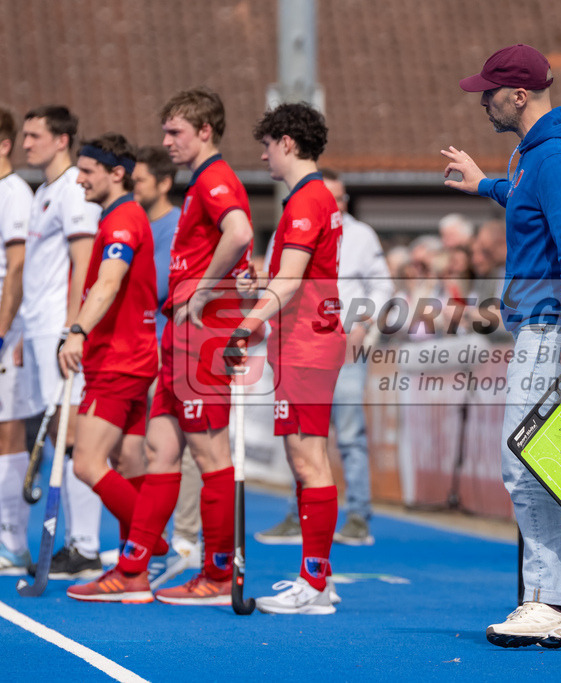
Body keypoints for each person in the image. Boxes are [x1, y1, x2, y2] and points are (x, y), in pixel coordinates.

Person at [442, 43, 561, 649]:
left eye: (490, 92)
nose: (482, 101)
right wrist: (487, 186)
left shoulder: (550, 157)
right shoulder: (541, 154)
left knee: (525, 464)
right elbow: (536, 209)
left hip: (555, 327)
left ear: (519, 95)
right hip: (556, 323)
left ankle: (549, 601)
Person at [68, 87, 253, 604]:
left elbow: (238, 232)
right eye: (166, 130)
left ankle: (217, 574)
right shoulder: (199, 183)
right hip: (181, 334)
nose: (165, 141)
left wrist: (206, 286)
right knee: (161, 450)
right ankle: (134, 569)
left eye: (175, 132)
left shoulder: (215, 178)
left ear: (205, 132)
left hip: (202, 334)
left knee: (211, 455)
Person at [229, 102, 345, 614]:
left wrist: (245, 325)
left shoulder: (304, 201)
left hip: (306, 344)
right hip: (304, 340)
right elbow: (293, 275)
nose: (263, 154)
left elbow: (293, 280)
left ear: (288, 144)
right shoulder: (313, 198)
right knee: (308, 460)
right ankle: (319, 576)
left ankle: (315, 582)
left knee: (307, 461)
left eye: (269, 144)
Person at [255, 169, 394, 547]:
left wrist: (364, 323)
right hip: (299, 345)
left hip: (345, 342)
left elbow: (383, 286)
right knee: (299, 435)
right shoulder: (292, 222)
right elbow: (275, 281)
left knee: (348, 433)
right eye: (331, 197)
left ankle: (358, 517)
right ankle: (298, 513)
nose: (336, 204)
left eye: (341, 198)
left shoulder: (361, 234)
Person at [57, 134, 159, 602]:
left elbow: (109, 281)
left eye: (88, 171)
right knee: (128, 462)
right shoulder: (120, 217)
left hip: (118, 360)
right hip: (131, 357)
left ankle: (147, 544)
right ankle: (133, 570)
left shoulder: (122, 220)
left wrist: (76, 330)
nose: (79, 179)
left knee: (86, 463)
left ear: (116, 173)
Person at [20, 105, 101, 579]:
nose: (27, 143)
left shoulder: (73, 188)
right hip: (38, 329)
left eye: (35, 136)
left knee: (71, 436)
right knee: (58, 436)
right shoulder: (44, 192)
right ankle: (76, 541)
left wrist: (74, 329)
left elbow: (83, 260)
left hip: (59, 330)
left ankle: (86, 545)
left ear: (62, 140)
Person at [132, 145, 202, 586]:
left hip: (174, 350)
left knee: (186, 448)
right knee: (148, 449)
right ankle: (150, 536)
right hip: (141, 351)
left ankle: (186, 537)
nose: (131, 187)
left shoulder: (177, 227)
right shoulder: (134, 224)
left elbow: (161, 286)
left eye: (138, 180)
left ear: (161, 183)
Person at [0, 107, 34, 576]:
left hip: (10, 329)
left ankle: (14, 540)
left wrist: (2, 329)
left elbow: (18, 267)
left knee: (7, 427)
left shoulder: (14, 194)